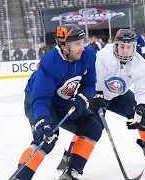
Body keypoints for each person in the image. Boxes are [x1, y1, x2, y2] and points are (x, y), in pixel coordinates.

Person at [55, 29, 145, 176]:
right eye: (122, 46)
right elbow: (92, 77)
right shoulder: (104, 56)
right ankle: (70, 158)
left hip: (119, 96)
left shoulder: (139, 63)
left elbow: (144, 90)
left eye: (129, 47)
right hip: (96, 94)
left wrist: (141, 107)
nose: (125, 50)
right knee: (90, 126)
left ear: (134, 47)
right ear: (116, 45)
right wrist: (96, 94)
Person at [12, 24, 102, 180]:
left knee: (93, 127)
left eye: (82, 42)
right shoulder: (50, 63)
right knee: (47, 138)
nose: (82, 47)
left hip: (64, 100)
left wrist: (82, 99)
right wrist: (43, 121)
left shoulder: (88, 55)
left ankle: (72, 171)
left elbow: (89, 85)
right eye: (77, 44)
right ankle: (21, 177)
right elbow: (40, 99)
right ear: (64, 46)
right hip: (38, 100)